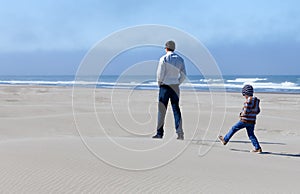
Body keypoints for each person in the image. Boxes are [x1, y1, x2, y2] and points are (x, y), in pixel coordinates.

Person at [152, 40, 186, 140]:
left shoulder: (164, 59)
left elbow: (160, 74)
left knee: (162, 110)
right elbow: (183, 74)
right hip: (175, 86)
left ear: (166, 48)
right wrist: (178, 82)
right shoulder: (180, 59)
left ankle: (159, 133)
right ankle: (180, 133)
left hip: (165, 86)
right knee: (176, 109)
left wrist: (159, 83)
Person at [219, 84, 262, 153]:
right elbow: (258, 111)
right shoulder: (256, 101)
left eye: (244, 95)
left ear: (246, 94)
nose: (244, 96)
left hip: (244, 120)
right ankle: (257, 148)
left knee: (234, 128)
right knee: (251, 135)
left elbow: (245, 111)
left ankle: (225, 140)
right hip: (252, 121)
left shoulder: (247, 101)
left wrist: (241, 115)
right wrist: (252, 114)